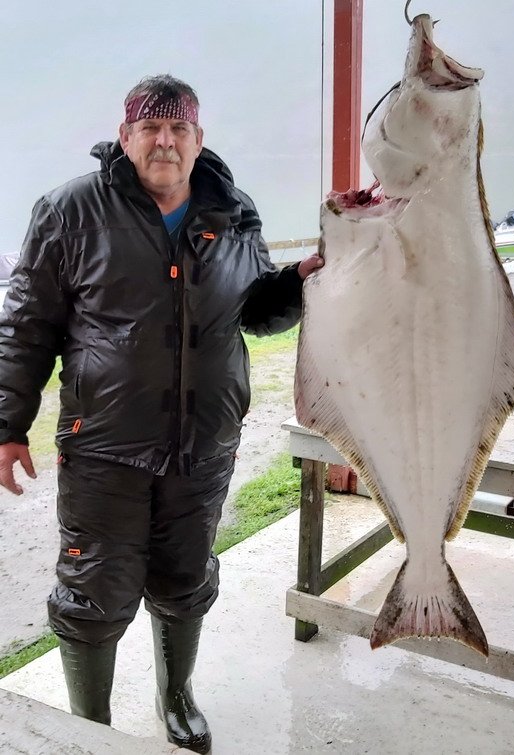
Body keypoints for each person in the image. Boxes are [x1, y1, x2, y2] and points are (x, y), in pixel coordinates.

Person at [0, 74, 323, 753]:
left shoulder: (233, 212)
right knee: (93, 595)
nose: (165, 140)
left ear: (199, 140)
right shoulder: (68, 211)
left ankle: (176, 695)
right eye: (151, 126)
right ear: (125, 137)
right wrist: (7, 423)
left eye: (179, 128)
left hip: (203, 446)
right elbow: (26, 325)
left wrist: (298, 283)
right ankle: (90, 727)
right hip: (105, 449)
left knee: (186, 579)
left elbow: (255, 310)